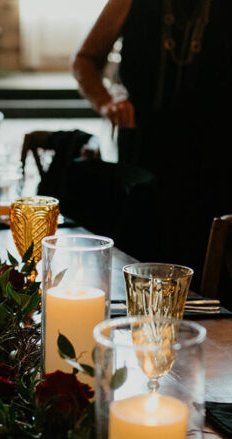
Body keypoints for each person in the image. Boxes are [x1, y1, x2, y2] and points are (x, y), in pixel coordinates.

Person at [73, 0, 232, 281]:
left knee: (208, 267)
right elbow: (85, 59)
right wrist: (106, 103)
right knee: (143, 258)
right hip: (145, 151)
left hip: (215, 152)